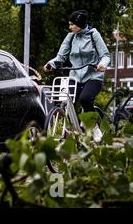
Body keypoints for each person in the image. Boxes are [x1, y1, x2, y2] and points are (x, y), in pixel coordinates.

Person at [43, 10, 111, 141]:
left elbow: (105, 55)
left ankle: (94, 126)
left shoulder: (94, 35)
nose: (70, 27)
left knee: (85, 99)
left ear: (79, 23)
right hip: (74, 76)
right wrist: (51, 64)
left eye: (72, 24)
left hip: (93, 76)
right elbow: (61, 56)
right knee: (65, 100)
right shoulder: (70, 37)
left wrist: (102, 64)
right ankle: (69, 130)